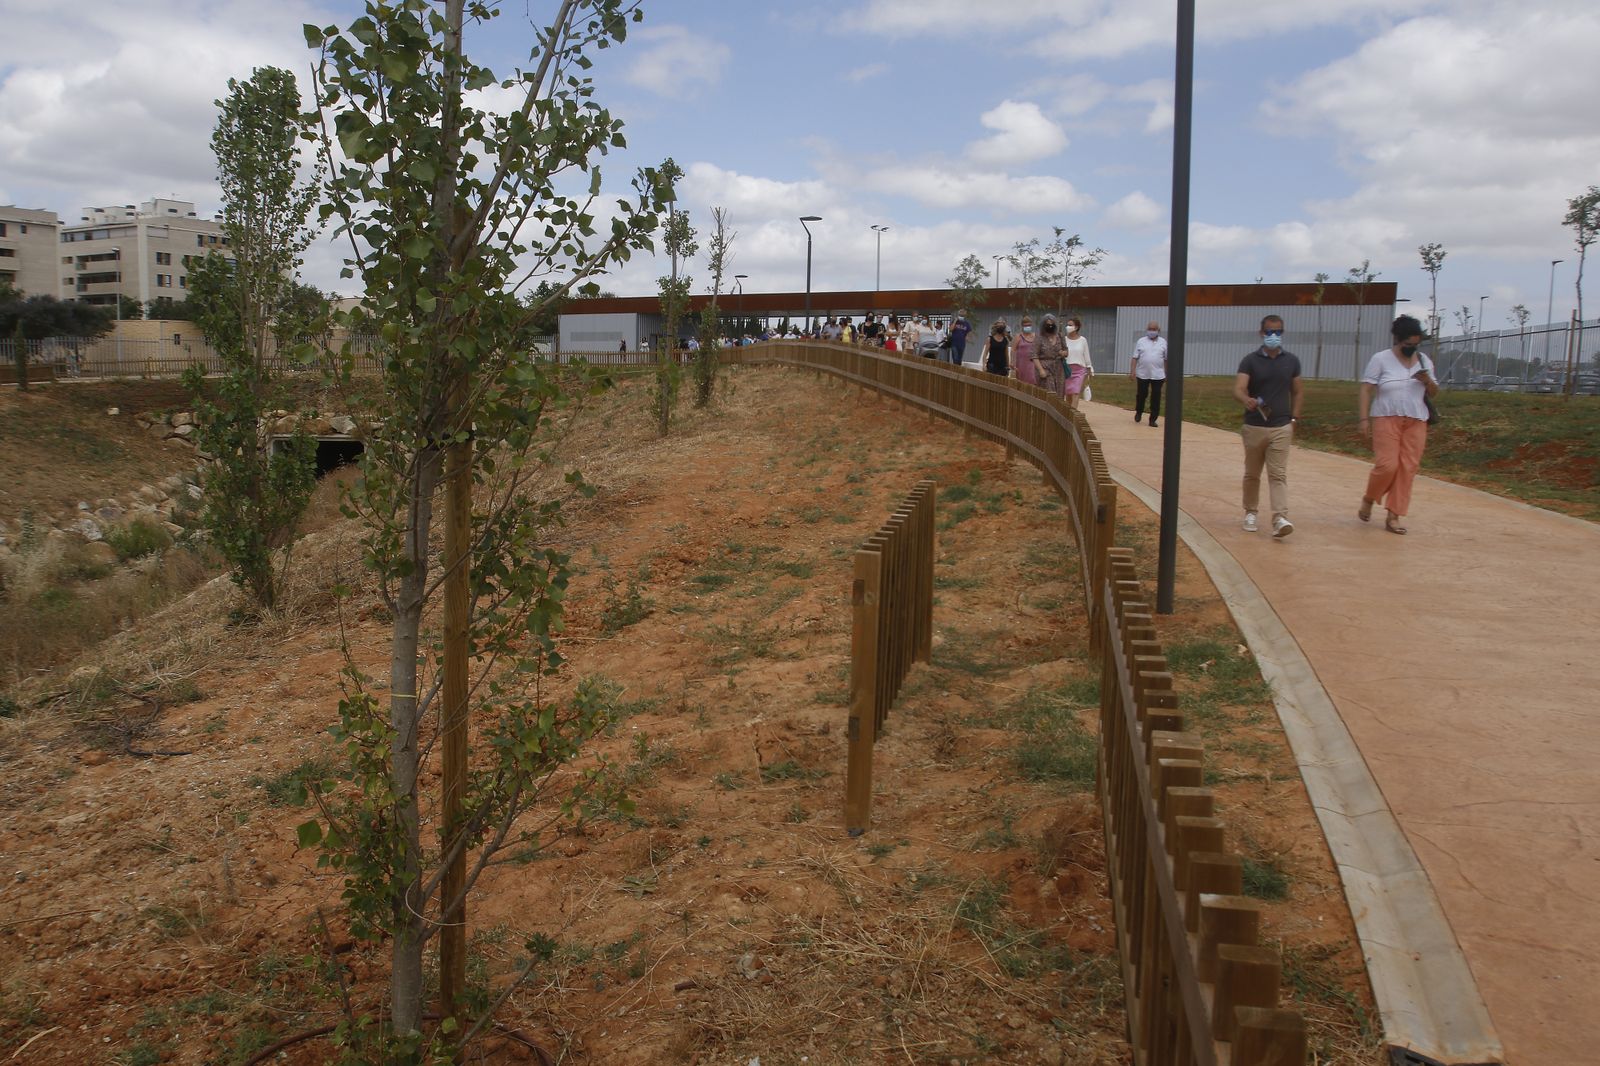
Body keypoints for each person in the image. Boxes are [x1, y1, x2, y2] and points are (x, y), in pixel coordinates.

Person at [1357, 314, 1439, 535]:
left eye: (1415, 344)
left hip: (1416, 420)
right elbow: (1366, 389)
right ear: (1397, 339)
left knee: (1407, 468)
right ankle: (1370, 497)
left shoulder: (1424, 361)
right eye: (1407, 344)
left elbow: (1434, 392)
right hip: (1386, 417)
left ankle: (1394, 515)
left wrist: (1426, 381)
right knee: (1387, 465)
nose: (1411, 348)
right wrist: (1363, 418)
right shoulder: (1381, 359)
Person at [1232, 314, 1303, 538]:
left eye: (1278, 332)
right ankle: (1250, 512)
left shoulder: (1291, 361)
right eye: (1270, 332)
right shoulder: (1250, 360)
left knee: (1278, 474)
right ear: (1261, 333)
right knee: (1252, 474)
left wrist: (1294, 418)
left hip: (1281, 426)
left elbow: (1298, 390)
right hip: (1254, 426)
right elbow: (1239, 388)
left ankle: (1279, 517)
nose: (1274, 336)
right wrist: (1247, 400)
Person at [1130, 320, 1167, 427]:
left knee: (1156, 396)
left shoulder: (1163, 342)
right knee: (1141, 394)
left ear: (1158, 330)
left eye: (1154, 329)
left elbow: (1166, 359)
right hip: (1143, 373)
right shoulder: (1141, 341)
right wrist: (1132, 371)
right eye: (1150, 329)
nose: (1152, 331)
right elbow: (1134, 357)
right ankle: (1139, 411)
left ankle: (1153, 419)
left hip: (1158, 374)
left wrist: (1166, 373)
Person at [1062, 317, 1092, 408]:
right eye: (1067, 325)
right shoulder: (1064, 339)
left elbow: (1086, 354)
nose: (1068, 327)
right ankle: (1067, 415)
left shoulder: (1083, 340)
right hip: (1067, 370)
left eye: (1070, 325)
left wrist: (1089, 367)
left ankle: (1073, 416)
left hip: (1079, 370)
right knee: (1068, 395)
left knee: (1076, 392)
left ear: (1076, 327)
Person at [1036, 313, 1068, 395]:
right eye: (1047, 324)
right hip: (1045, 368)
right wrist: (1041, 370)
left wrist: (1063, 353)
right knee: (1050, 392)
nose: (1050, 326)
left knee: (1059, 393)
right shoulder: (1039, 338)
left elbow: (1066, 351)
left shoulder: (1060, 336)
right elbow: (1034, 355)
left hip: (1059, 369)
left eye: (1051, 324)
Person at [1013, 316, 1038, 385]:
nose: (1027, 327)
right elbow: (1013, 350)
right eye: (1025, 325)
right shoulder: (1018, 337)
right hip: (1021, 364)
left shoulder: (1035, 336)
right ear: (1022, 326)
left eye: (1029, 325)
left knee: (1033, 380)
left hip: (1032, 364)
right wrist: (1012, 363)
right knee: (1021, 382)